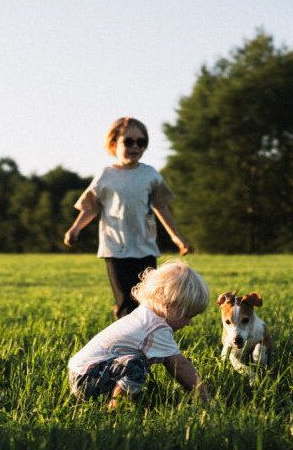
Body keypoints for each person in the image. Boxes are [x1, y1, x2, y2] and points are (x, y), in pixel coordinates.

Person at [64, 116, 190, 319]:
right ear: (113, 144)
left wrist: (176, 237)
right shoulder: (105, 175)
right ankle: (127, 345)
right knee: (126, 304)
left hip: (145, 248)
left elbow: (161, 206)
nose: (135, 146)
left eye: (141, 142)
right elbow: (90, 207)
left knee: (148, 303)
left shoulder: (150, 175)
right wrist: (75, 228)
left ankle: (148, 343)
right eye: (129, 141)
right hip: (116, 249)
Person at [67, 261, 212, 411]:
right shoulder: (156, 327)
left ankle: (115, 397)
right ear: (168, 305)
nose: (187, 324)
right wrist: (205, 398)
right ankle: (116, 409)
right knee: (136, 365)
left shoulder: (145, 313)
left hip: (81, 373)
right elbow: (179, 366)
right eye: (187, 316)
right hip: (88, 379)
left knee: (136, 366)